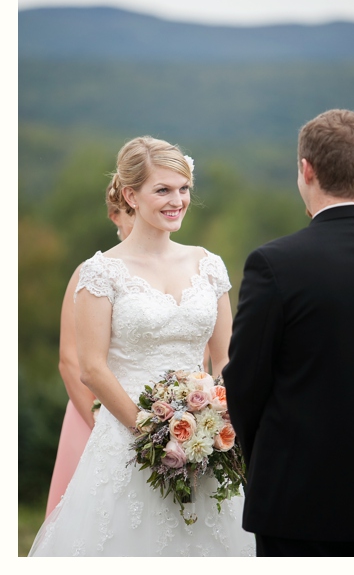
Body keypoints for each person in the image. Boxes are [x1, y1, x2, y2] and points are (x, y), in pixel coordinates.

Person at [29, 136, 255, 556]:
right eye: (163, 190)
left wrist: (214, 422)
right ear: (130, 195)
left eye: (183, 188)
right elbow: (90, 368)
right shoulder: (101, 273)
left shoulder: (208, 264)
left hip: (203, 443)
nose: (178, 201)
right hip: (127, 441)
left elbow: (225, 357)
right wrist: (152, 433)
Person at [223, 109, 354, 557]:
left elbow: (244, 380)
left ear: (306, 169)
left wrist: (260, 453)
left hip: (296, 498)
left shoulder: (274, 264)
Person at [45, 182, 136, 517]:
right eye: (131, 214)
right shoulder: (90, 273)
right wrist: (100, 422)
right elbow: (70, 360)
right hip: (94, 412)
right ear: (116, 215)